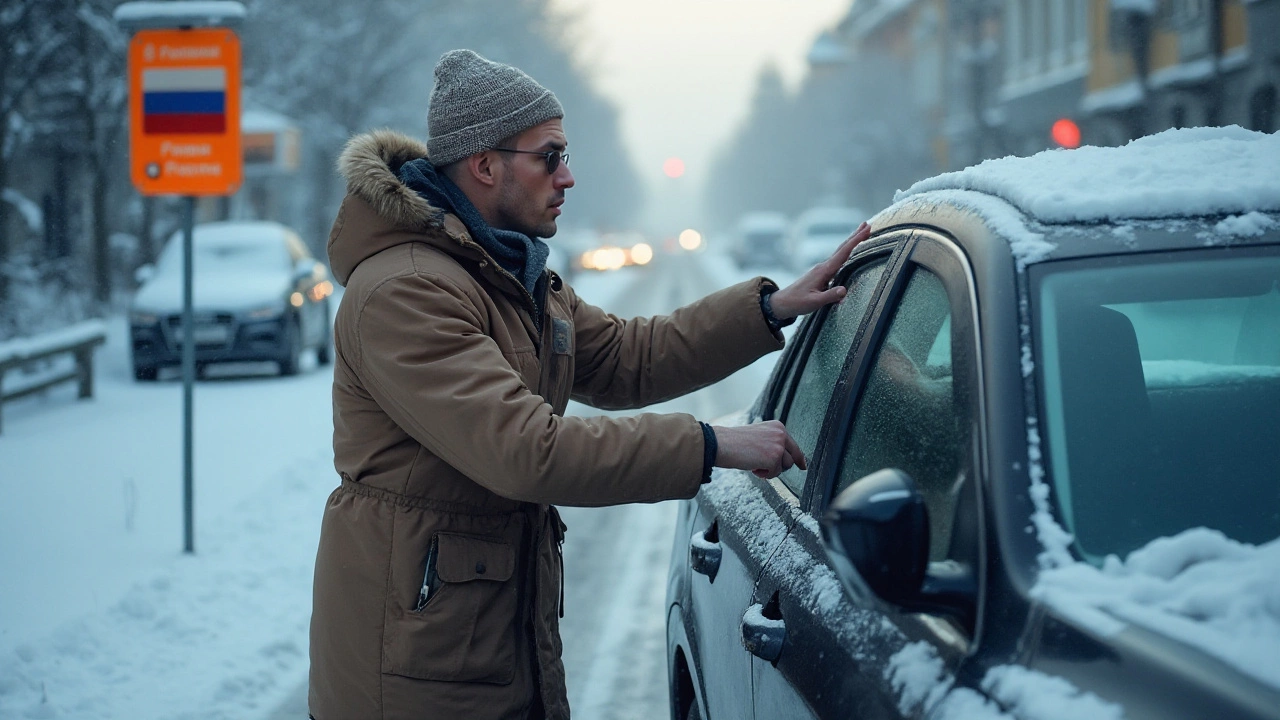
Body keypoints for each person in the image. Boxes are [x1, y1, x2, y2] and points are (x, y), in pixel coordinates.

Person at [308, 49, 871, 720]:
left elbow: (627, 356)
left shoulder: (507, 271)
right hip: (411, 675)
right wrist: (711, 444)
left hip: (480, 647)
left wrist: (769, 309)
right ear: (485, 165)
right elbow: (526, 452)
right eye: (550, 157)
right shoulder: (406, 289)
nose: (568, 176)